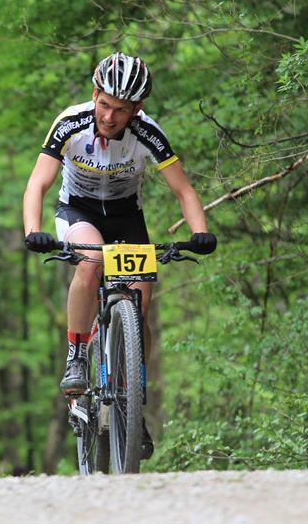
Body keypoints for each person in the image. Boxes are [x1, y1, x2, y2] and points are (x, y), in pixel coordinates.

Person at [22, 51, 217, 459]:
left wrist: (200, 233)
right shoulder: (70, 123)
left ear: (136, 110)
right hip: (78, 210)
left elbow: (184, 190)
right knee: (91, 263)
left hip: (127, 218)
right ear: (95, 94)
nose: (109, 116)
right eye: (104, 104)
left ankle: (132, 401)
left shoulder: (148, 133)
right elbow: (37, 183)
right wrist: (33, 231)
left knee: (140, 300)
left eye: (121, 110)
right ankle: (76, 356)